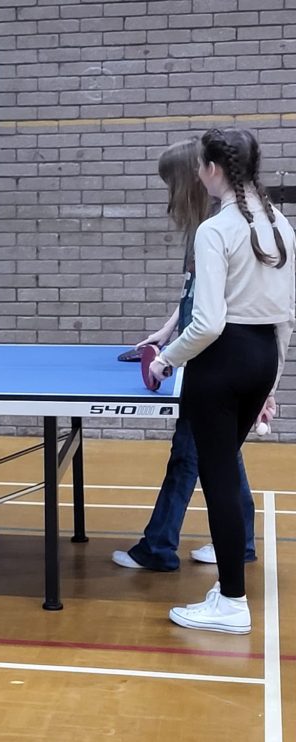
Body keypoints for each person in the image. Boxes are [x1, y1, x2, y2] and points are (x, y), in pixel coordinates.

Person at [148, 128, 295, 634]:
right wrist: (271, 384)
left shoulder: (215, 230)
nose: (197, 174)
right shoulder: (281, 225)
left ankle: (232, 601)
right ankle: (228, 591)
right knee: (225, 475)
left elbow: (207, 323)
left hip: (220, 364)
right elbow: (285, 318)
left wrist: (166, 360)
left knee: (219, 482)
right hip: (260, 358)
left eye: (200, 167)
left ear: (212, 169)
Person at [112, 138, 258, 572]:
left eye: (170, 183)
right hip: (206, 352)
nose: (170, 194)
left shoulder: (217, 228)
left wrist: (170, 356)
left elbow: (215, 308)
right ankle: (240, 541)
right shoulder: (205, 226)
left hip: (212, 357)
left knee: (188, 453)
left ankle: (158, 547)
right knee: (221, 451)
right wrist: (166, 329)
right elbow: (195, 294)